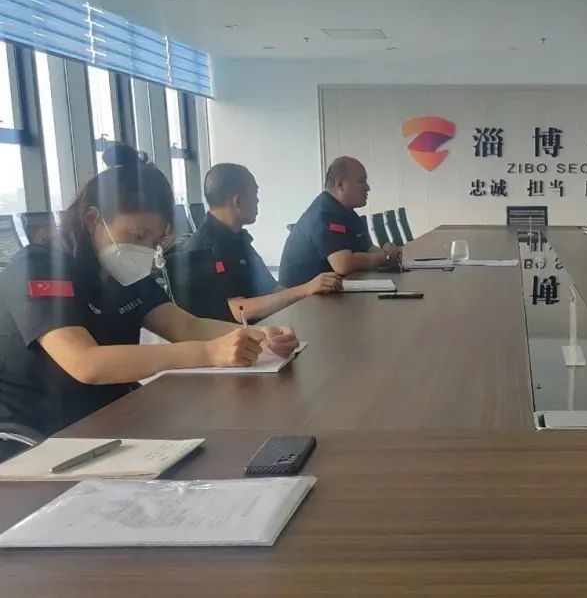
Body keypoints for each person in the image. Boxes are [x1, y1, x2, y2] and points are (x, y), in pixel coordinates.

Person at [0, 162, 299, 458]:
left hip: (113, 414)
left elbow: (186, 327)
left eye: (153, 241)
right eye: (137, 236)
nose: (143, 249)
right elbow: (86, 362)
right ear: (93, 219)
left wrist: (262, 335)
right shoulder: (39, 267)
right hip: (43, 434)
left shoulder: (123, 269)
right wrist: (209, 352)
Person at [185, 163, 342, 322]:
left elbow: (272, 289)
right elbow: (238, 309)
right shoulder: (203, 248)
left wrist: (311, 295)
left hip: (263, 326)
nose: (258, 200)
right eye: (254, 194)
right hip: (233, 333)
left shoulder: (237, 238)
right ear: (238, 201)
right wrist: (305, 290)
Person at [279, 156, 402, 287]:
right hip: (302, 297)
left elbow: (368, 249)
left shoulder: (347, 212)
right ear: (340, 184)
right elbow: (343, 264)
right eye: (362, 181)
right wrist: (385, 256)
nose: (367, 187)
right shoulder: (325, 212)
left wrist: (386, 253)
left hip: (330, 290)